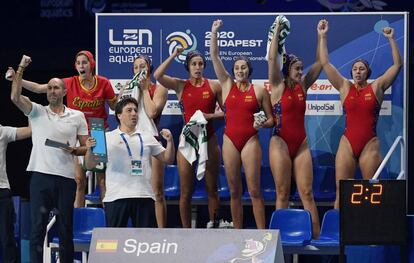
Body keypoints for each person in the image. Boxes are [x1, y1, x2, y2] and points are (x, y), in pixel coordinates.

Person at [6, 50, 117, 207]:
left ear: (91, 64)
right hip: (77, 133)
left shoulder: (104, 83)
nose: (81, 66)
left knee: (102, 180)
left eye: (84, 62)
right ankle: (78, 217)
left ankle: (108, 218)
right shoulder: (69, 82)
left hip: (97, 133)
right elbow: (38, 88)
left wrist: (123, 95)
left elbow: (115, 106)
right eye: (78, 63)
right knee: (79, 181)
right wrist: (17, 78)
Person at [9, 55, 88, 263]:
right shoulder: (37, 111)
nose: (52, 91)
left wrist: (74, 150)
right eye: (50, 88)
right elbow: (15, 98)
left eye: (56, 88)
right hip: (40, 178)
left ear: (64, 91)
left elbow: (86, 147)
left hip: (66, 179)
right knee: (37, 229)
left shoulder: (77, 116)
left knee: (65, 231)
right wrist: (20, 69)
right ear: (47, 92)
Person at [318, 20, 402, 208]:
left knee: (369, 189)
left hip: (369, 144)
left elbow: (397, 65)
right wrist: (322, 36)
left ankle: (370, 230)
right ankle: (337, 231)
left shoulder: (377, 87)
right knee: (342, 189)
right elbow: (325, 63)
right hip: (347, 143)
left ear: (367, 72)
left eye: (361, 69)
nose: (357, 71)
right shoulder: (344, 87)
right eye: (355, 69)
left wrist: (391, 39)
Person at [210, 19, 274, 229]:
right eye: (236, 67)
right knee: (234, 190)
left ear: (249, 69)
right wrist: (214, 32)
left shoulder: (259, 91)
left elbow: (272, 119)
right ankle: (238, 232)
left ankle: (263, 233)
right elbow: (214, 56)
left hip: (250, 140)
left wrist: (264, 124)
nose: (239, 70)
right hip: (230, 140)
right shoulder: (227, 85)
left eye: (243, 67)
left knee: (254, 190)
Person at [154, 48, 223, 228]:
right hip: (188, 141)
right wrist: (174, 55)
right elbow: (158, 75)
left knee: (212, 190)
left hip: (209, 140)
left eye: (200, 64)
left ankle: (214, 226)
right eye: (194, 64)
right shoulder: (180, 85)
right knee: (185, 192)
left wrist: (209, 116)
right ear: (188, 67)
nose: (197, 67)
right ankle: (186, 233)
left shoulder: (214, 86)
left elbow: (227, 111)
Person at [267, 17, 324, 237]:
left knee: (307, 193)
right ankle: (278, 241)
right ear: (287, 69)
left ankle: (317, 238)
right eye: (297, 68)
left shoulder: (303, 85)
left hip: (301, 143)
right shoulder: (277, 85)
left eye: (301, 68)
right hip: (279, 141)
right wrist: (277, 32)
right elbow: (272, 59)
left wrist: (321, 36)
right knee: (282, 193)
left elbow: (319, 63)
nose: (301, 72)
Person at [84, 97, 175, 227]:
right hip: (116, 197)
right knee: (114, 243)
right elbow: (89, 165)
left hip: (144, 196)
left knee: (145, 242)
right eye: (129, 110)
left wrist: (170, 141)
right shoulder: (106, 137)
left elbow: (168, 158)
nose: (133, 113)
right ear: (119, 115)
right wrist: (89, 149)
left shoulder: (147, 136)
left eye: (135, 111)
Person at [119, 55, 169, 227]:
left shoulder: (160, 88)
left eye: (143, 66)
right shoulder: (128, 88)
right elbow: (119, 112)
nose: (139, 69)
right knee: (133, 190)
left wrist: (144, 90)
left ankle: (161, 235)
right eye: (135, 67)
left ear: (149, 68)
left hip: (151, 141)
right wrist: (129, 89)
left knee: (157, 192)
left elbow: (152, 112)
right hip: (131, 142)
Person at [0, 123, 31, 263]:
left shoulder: (2, 131)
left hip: (1, 192)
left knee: (7, 238)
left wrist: (30, 110)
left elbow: (30, 131)